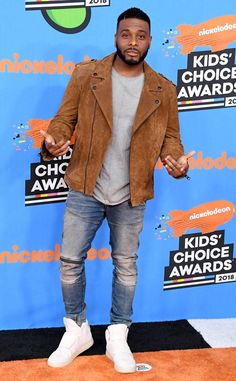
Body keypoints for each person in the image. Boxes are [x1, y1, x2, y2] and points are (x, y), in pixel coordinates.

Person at [40, 7, 194, 373]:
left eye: (141, 36)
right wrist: (54, 140)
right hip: (86, 187)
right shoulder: (86, 75)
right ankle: (77, 329)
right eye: (126, 34)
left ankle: (118, 334)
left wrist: (177, 162)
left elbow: (172, 140)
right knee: (70, 261)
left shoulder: (164, 90)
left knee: (125, 266)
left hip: (131, 193)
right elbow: (64, 119)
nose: (133, 42)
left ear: (150, 41)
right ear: (115, 37)